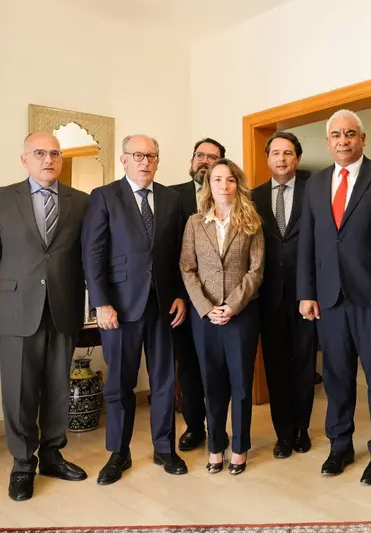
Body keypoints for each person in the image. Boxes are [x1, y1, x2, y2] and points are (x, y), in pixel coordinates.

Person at [297, 109, 371, 485]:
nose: (343, 140)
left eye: (350, 134)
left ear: (362, 138)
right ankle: (339, 445)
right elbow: (307, 242)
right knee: (336, 378)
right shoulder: (314, 184)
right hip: (329, 300)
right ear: (328, 142)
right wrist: (306, 292)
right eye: (336, 135)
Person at [82, 134, 188, 485]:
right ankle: (119, 453)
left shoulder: (172, 199)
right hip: (120, 308)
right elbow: (93, 253)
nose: (145, 161)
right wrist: (101, 302)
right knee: (120, 384)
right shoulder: (104, 196)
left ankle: (164, 448)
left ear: (158, 161)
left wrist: (179, 296)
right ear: (124, 160)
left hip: (162, 306)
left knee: (163, 381)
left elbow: (177, 255)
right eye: (138, 155)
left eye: (152, 156)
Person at [0, 132, 89, 501]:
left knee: (56, 387)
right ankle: (23, 465)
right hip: (16, 308)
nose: (48, 159)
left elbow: (89, 254)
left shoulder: (82, 202)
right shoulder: (3, 198)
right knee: (19, 391)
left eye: (55, 153)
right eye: (39, 153)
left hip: (64, 306)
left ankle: (53, 455)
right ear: (24, 159)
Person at [180, 158, 264, 475]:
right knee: (212, 384)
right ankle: (216, 446)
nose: (223, 186)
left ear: (236, 184)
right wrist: (206, 307)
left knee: (241, 385)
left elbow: (256, 271)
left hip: (240, 316)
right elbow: (187, 269)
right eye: (217, 180)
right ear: (208, 186)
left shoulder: (251, 221)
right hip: (206, 318)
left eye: (229, 180)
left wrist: (232, 305)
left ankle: (240, 448)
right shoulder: (194, 223)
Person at [251, 132, 317, 459]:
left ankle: (303, 428)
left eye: (288, 153)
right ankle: (283, 434)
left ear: (298, 158)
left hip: (306, 296)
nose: (281, 159)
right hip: (268, 296)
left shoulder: (314, 191)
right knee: (276, 369)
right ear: (267, 159)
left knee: (304, 365)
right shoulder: (252, 197)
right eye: (275, 153)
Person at [169, 137, 226, 451]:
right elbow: (167, 253)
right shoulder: (170, 197)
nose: (204, 161)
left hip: (223, 301)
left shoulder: (231, 196)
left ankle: (220, 427)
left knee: (220, 367)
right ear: (192, 160)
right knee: (189, 366)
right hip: (184, 302)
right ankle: (194, 426)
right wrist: (179, 294)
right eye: (200, 155)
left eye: (212, 157)